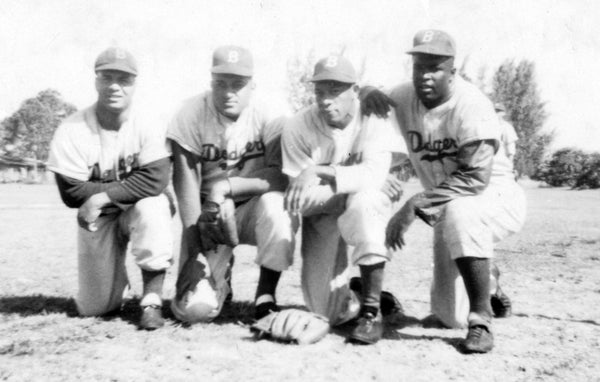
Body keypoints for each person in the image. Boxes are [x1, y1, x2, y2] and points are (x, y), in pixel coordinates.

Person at [367, 30, 526, 353]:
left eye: (435, 68)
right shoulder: (402, 95)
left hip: (494, 196)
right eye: (419, 66)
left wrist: (413, 204)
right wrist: (366, 91)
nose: (425, 75)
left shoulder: (472, 104)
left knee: (462, 211)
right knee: (448, 315)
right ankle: (488, 276)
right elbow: (369, 101)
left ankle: (481, 320)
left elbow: (474, 179)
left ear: (453, 72)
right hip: (446, 203)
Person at [281, 55, 406, 344]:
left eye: (335, 90)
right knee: (324, 312)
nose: (326, 100)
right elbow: (302, 198)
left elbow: (376, 178)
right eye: (320, 91)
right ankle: (359, 292)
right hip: (323, 212)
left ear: (355, 91)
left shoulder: (374, 115)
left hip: (357, 202)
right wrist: (360, 178)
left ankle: (372, 310)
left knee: (368, 200)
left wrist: (319, 170)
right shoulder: (298, 125)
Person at [47, 47, 174, 330]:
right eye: (107, 77)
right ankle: (116, 283)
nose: (115, 85)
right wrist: (126, 189)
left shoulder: (149, 122)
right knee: (95, 308)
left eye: (123, 79)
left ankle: (152, 300)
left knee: (153, 205)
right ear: (96, 80)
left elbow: (156, 179)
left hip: (133, 207)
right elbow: (71, 193)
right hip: (100, 216)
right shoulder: (72, 128)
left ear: (134, 84)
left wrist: (102, 195)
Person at [167, 45, 296, 323]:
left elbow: (280, 175)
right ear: (211, 82)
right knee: (194, 311)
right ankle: (219, 279)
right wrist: (194, 256)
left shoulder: (272, 111)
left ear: (253, 86)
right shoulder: (190, 113)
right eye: (220, 83)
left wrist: (225, 187)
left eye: (238, 84)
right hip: (208, 214)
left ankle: (265, 298)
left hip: (252, 205)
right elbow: (186, 190)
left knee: (278, 206)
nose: (228, 92)